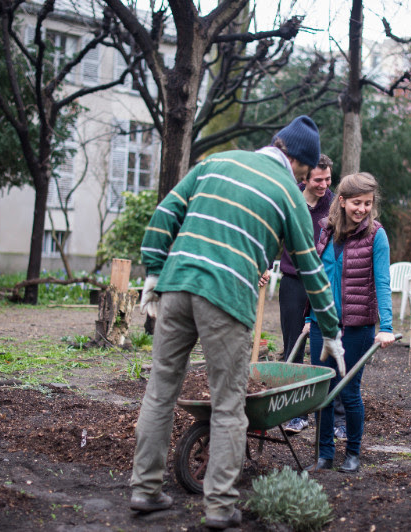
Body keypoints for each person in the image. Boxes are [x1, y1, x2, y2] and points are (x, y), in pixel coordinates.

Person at [129, 115, 346, 529]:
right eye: (308, 168)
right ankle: (219, 507)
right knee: (229, 406)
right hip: (225, 297)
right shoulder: (287, 192)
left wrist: (154, 271)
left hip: (176, 286)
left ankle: (144, 489)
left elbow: (166, 210)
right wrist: (331, 331)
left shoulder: (216, 162)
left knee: (159, 391)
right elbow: (312, 269)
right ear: (300, 162)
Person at [306, 172, 396, 473]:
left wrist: (386, 328)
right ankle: (324, 454)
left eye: (368, 203)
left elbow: (383, 283)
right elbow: (317, 279)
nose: (362, 209)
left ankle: (353, 453)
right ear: (341, 201)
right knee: (322, 390)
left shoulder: (376, 235)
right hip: (323, 324)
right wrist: (309, 317)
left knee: (348, 391)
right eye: (357, 202)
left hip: (357, 326)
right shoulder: (326, 232)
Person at [279, 155, 345, 437]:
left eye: (328, 179)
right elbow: (273, 234)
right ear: (305, 177)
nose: (325, 184)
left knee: (330, 346)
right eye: (319, 180)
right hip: (294, 281)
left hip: (324, 283)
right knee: (293, 347)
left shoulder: (334, 204)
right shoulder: (290, 198)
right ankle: (295, 414)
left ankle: (336, 418)